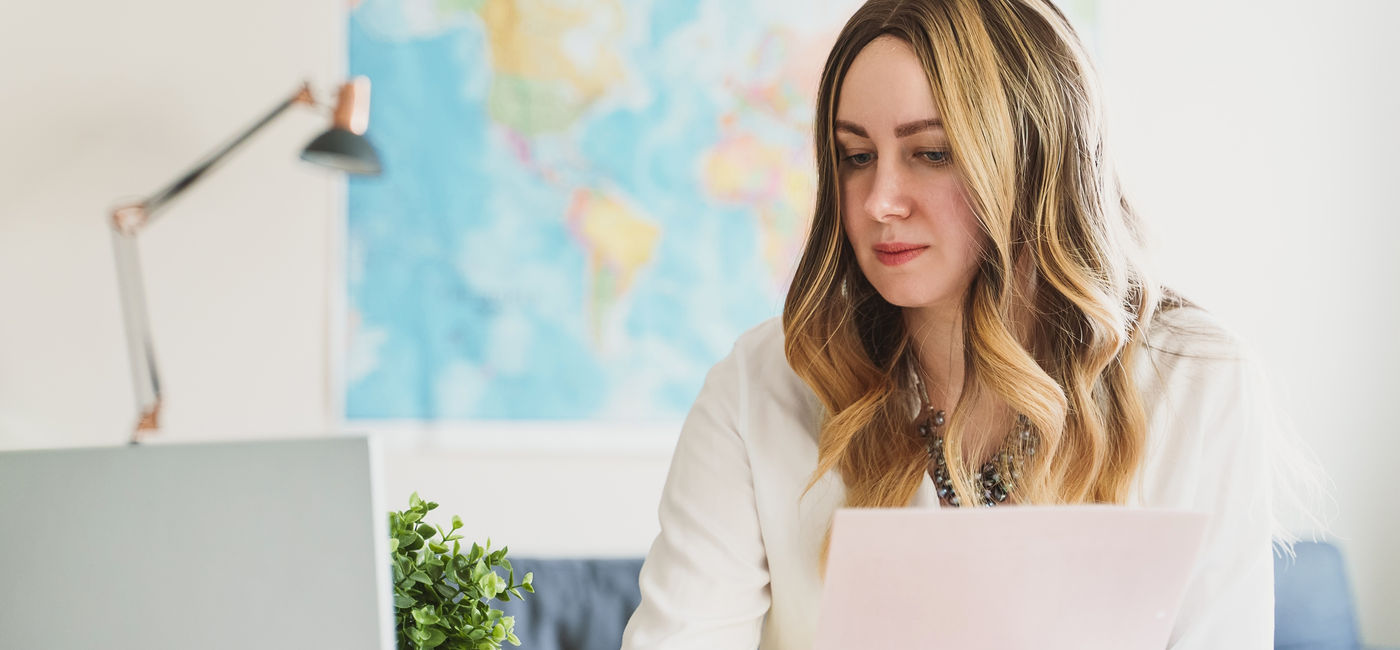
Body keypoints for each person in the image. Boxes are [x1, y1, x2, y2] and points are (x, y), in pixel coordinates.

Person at [621, 0, 1295, 647]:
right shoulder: (759, 387)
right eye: (857, 156)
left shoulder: (1198, 382)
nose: (881, 200)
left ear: (1033, 160)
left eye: (931, 153)